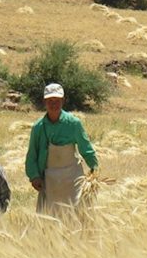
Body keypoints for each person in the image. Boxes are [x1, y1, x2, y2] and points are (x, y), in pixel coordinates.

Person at [24, 83, 99, 215]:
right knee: (49, 218)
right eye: (50, 101)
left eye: (57, 101)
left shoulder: (73, 123)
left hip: (73, 179)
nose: (53, 105)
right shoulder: (38, 127)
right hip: (49, 180)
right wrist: (34, 176)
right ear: (44, 102)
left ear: (63, 101)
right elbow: (32, 155)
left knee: (76, 215)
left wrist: (94, 170)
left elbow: (86, 148)